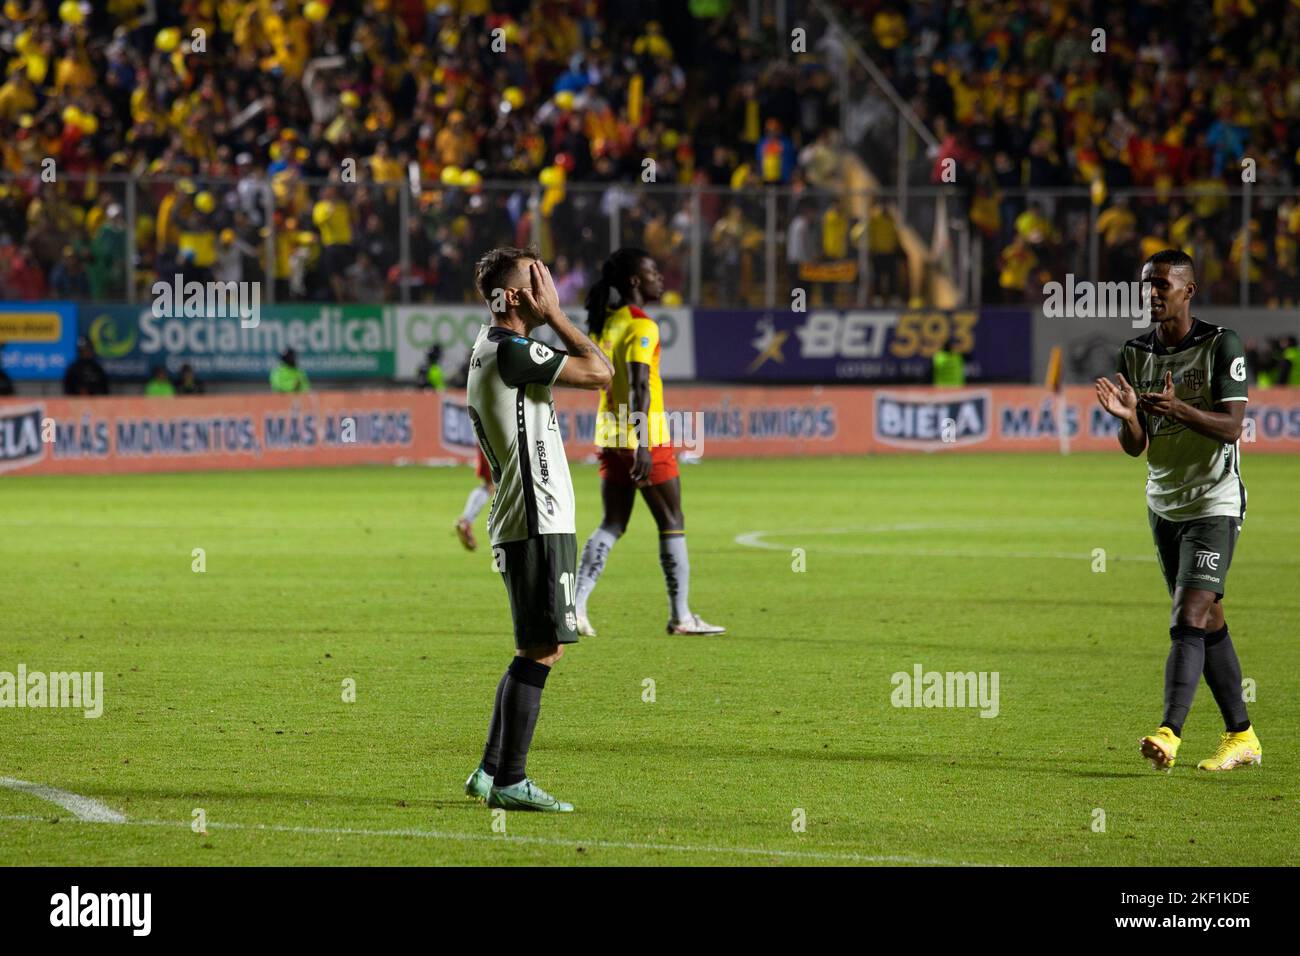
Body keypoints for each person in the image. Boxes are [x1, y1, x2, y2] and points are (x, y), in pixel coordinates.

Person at [1094, 249, 1261, 773]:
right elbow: (1136, 446)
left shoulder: (1220, 344)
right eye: (1146, 283)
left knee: (1187, 613)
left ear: (1188, 290)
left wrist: (1181, 409)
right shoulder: (1134, 352)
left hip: (1214, 501)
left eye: (1162, 284)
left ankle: (1170, 731)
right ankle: (1242, 736)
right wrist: (1128, 418)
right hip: (1163, 505)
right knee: (1207, 618)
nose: (1151, 292)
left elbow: (1233, 427)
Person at [461, 246, 612, 812]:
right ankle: (510, 781)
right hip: (537, 517)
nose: (547, 285)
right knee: (543, 651)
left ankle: (490, 769)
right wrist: (558, 317)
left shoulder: (490, 347)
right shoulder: (515, 351)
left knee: (533, 647)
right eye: (537, 279)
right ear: (520, 295)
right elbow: (602, 372)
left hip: (522, 517)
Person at [573, 248, 725, 636]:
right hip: (646, 438)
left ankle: (575, 606)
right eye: (654, 271)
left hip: (609, 435)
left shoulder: (606, 324)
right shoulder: (642, 325)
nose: (661, 277)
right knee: (672, 522)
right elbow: (640, 384)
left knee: (612, 523)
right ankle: (681, 616)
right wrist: (642, 440)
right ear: (635, 281)